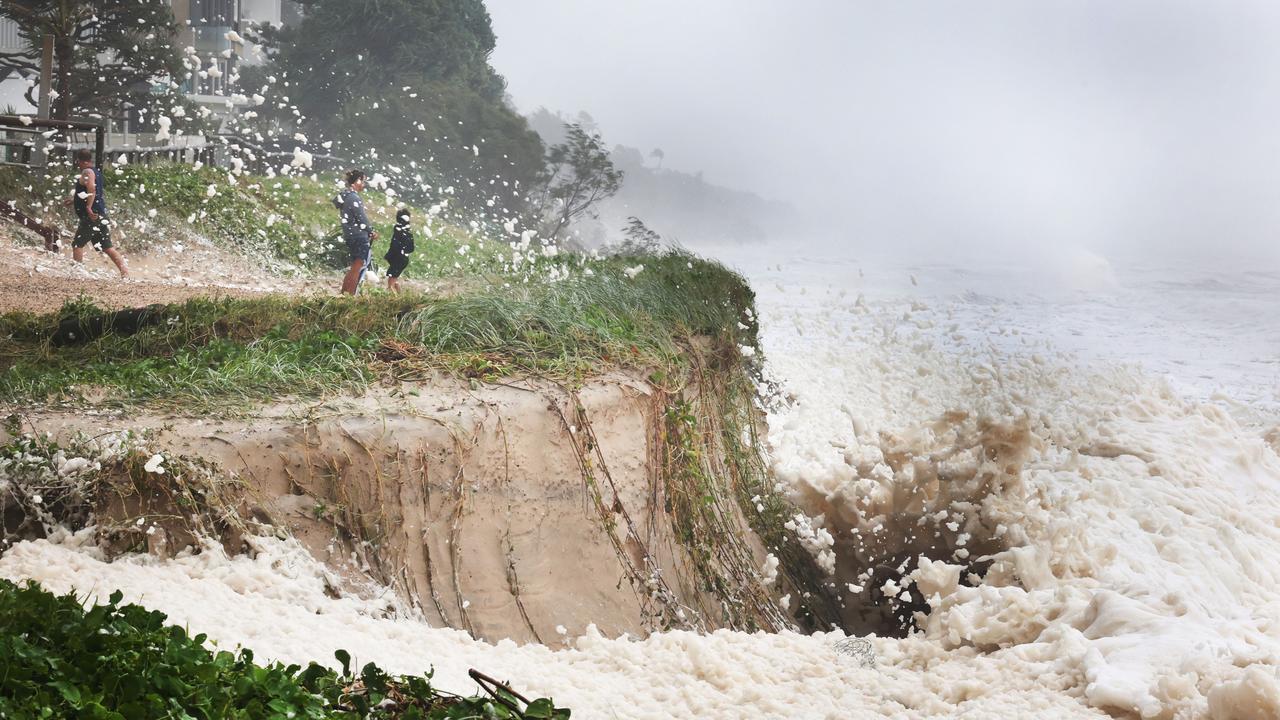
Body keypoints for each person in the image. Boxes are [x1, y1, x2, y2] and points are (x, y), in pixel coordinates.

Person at [63, 148, 128, 277]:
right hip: (100, 215)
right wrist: (74, 200)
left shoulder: (87, 171)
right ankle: (125, 272)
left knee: (77, 244)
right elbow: (93, 191)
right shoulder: (96, 171)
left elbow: (91, 187)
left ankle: (78, 273)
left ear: (80, 161)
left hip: (91, 216)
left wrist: (88, 207)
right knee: (107, 247)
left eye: (78, 163)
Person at [333, 169, 377, 295]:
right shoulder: (353, 197)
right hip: (358, 236)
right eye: (362, 181)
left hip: (351, 235)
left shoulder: (346, 196)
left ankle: (344, 294)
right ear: (356, 182)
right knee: (358, 266)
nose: (363, 184)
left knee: (354, 267)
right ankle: (350, 296)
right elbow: (361, 218)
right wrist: (370, 231)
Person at [384, 207, 415, 292]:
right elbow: (411, 248)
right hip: (404, 259)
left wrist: (389, 255)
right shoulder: (408, 232)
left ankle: (393, 297)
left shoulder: (398, 231)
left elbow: (394, 246)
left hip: (397, 258)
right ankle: (399, 295)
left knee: (391, 282)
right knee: (394, 280)